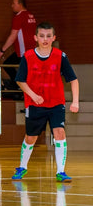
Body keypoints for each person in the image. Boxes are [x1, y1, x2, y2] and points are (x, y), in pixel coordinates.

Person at [11, 22, 79, 183]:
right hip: (35, 104)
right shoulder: (28, 56)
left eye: (49, 36)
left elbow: (73, 79)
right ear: (36, 38)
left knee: (59, 133)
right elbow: (20, 81)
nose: (45, 39)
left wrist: (75, 101)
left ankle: (61, 171)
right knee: (31, 137)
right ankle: (22, 167)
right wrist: (33, 96)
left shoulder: (60, 56)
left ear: (54, 38)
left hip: (56, 103)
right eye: (42, 36)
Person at [0, 0, 36, 90]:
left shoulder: (19, 17)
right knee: (23, 70)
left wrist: (2, 50)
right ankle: (19, 86)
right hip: (32, 50)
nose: (12, 6)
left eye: (14, 3)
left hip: (23, 52)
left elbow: (13, 36)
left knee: (7, 65)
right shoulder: (31, 16)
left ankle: (18, 86)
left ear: (20, 4)